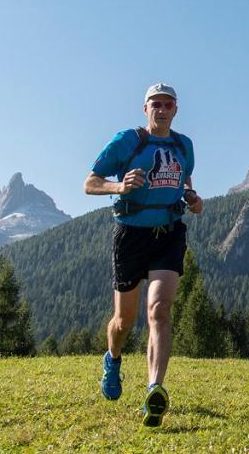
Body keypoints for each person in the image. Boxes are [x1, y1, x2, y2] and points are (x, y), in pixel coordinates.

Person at [84, 83, 203, 426]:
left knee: (159, 310)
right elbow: (89, 182)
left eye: (168, 105)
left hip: (169, 232)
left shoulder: (184, 146)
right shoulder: (127, 141)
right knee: (123, 321)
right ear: (145, 108)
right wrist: (119, 186)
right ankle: (113, 358)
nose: (162, 110)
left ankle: (155, 390)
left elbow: (188, 185)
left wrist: (194, 201)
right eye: (156, 104)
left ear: (176, 110)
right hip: (131, 234)